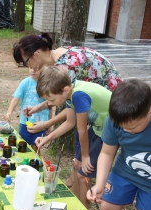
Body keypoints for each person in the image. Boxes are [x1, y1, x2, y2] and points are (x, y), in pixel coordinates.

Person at [13, 32, 122, 189]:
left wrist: (45, 125)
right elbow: (62, 100)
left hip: (110, 106)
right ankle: (76, 177)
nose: (28, 67)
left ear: (36, 54)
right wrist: (39, 107)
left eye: (26, 62)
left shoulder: (65, 68)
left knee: (86, 160)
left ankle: (81, 179)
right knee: (81, 158)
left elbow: (72, 116)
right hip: (97, 102)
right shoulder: (59, 56)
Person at [35, 66, 111, 208]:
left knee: (83, 174)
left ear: (65, 90)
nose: (50, 103)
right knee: (77, 165)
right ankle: (76, 203)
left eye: (51, 99)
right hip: (97, 128)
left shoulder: (78, 96)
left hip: (108, 132)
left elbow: (82, 130)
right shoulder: (70, 93)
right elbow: (70, 122)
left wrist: (86, 156)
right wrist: (47, 138)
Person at [87, 79, 151, 210]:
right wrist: (100, 184)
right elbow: (107, 153)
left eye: (131, 128)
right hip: (125, 171)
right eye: (121, 127)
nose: (125, 131)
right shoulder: (116, 120)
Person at [4, 67, 55, 151]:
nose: (33, 70)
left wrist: (49, 124)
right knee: (23, 146)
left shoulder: (47, 84)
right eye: (31, 67)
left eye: (37, 68)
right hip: (25, 122)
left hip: (41, 123)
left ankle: (36, 163)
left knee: (36, 147)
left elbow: (50, 105)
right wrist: (9, 112)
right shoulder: (25, 82)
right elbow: (15, 99)